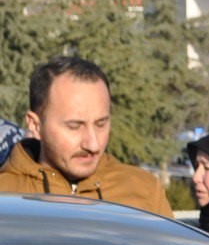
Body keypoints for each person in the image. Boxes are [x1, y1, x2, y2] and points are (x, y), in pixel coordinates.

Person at [0, 56, 172, 216]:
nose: (93, 144)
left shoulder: (146, 193)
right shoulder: (5, 196)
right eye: (74, 126)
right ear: (35, 125)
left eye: (101, 124)